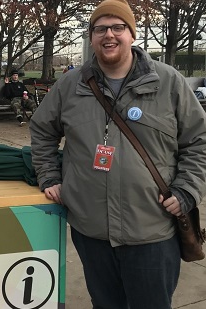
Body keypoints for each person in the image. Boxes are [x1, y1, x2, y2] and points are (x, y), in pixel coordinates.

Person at [29, 0, 206, 308]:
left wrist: (187, 189)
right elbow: (42, 130)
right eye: (99, 29)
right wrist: (49, 175)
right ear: (91, 36)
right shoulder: (72, 84)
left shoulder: (167, 82)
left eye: (117, 27)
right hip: (91, 230)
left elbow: (198, 141)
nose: (108, 35)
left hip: (152, 230)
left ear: (131, 34)